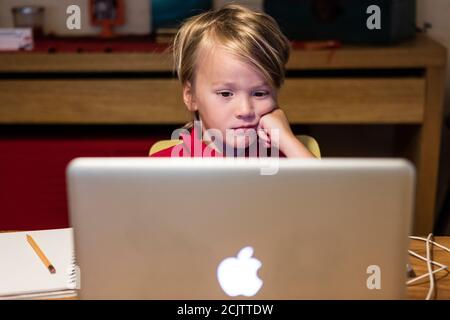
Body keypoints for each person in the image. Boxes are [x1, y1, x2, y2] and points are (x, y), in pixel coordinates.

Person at [150, 4, 314, 158]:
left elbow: (324, 186)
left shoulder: (287, 156)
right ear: (191, 96)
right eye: (226, 93)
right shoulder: (165, 166)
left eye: (259, 93)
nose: (245, 110)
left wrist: (287, 140)